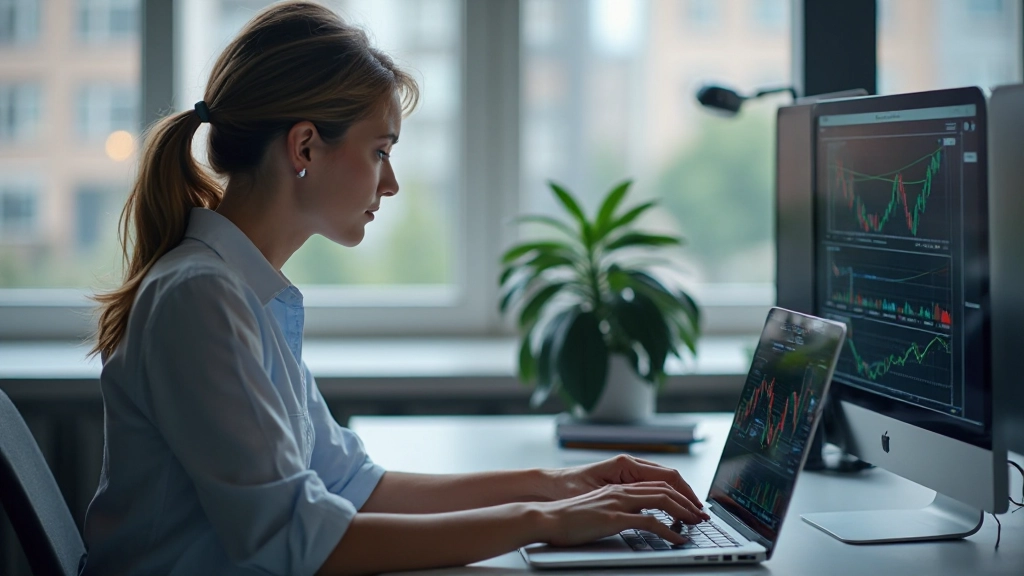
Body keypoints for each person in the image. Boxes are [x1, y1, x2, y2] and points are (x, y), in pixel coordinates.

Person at [81, 2, 708, 575]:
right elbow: (296, 540)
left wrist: (561, 485)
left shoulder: (239, 292)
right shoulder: (200, 298)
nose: (391, 183)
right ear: (304, 147)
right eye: (380, 151)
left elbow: (355, 485)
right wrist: (544, 523)